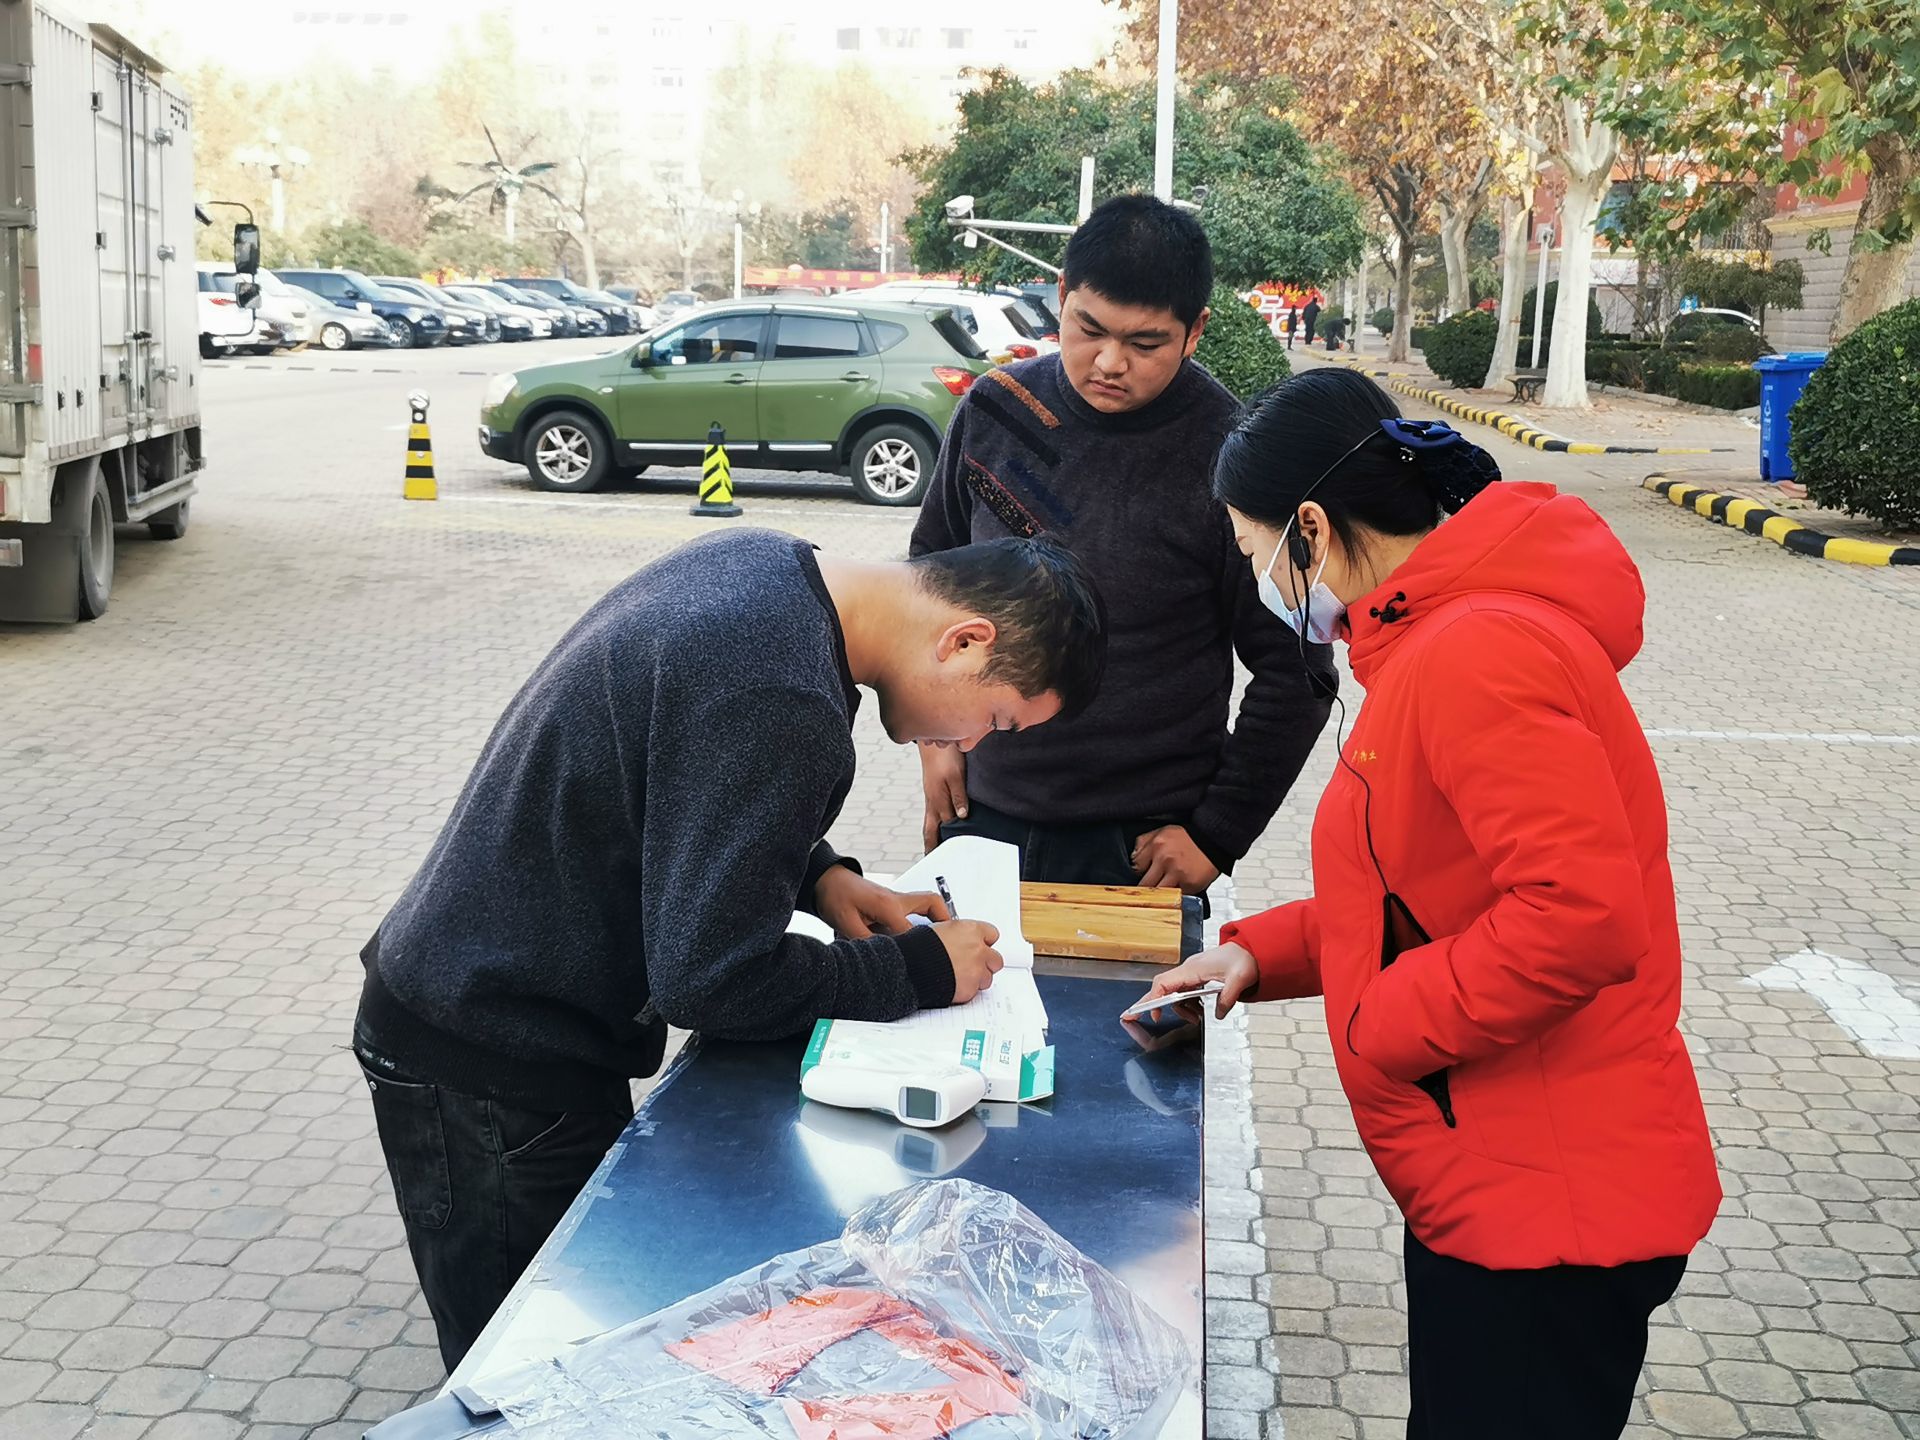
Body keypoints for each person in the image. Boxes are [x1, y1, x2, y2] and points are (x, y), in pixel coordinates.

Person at [355, 528, 1107, 1369]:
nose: (971, 745)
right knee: (527, 1380)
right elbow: (712, 980)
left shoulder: (771, 572)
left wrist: (820, 876)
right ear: (966, 640)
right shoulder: (781, 689)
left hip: (481, 1001)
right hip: (489, 1061)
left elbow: (679, 780)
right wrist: (924, 969)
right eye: (996, 717)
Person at [1138, 369, 1720, 1439]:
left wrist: (1377, 1027)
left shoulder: (1473, 653)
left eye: (1250, 546)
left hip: (1550, 1205)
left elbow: (1577, 916)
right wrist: (1258, 955)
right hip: (1503, 1178)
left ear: (1309, 526)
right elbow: (1422, 897)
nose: (1259, 577)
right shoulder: (1424, 645)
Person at [911, 194, 1333, 896]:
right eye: (1089, 329)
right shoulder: (994, 413)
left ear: (1195, 331)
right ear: (1061, 296)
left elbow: (1301, 671)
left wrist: (1217, 834)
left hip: (1143, 849)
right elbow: (924, 593)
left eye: (1145, 345)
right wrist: (933, 737)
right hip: (980, 815)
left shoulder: (1233, 460)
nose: (1109, 362)